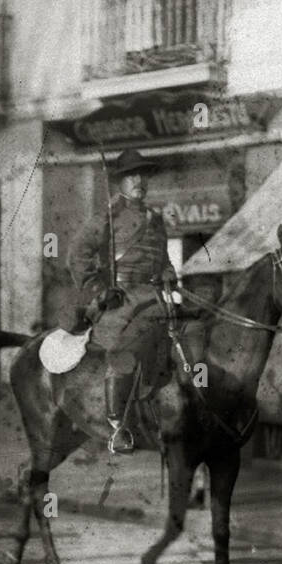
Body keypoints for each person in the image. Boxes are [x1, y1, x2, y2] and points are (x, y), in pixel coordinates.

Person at [61, 148, 180, 454]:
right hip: (119, 300)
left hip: (154, 297)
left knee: (189, 337)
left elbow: (163, 259)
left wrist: (168, 273)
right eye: (132, 175)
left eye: (143, 175)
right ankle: (118, 425)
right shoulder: (106, 218)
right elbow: (77, 256)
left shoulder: (155, 220)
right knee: (125, 347)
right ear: (120, 182)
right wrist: (98, 290)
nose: (139, 180)